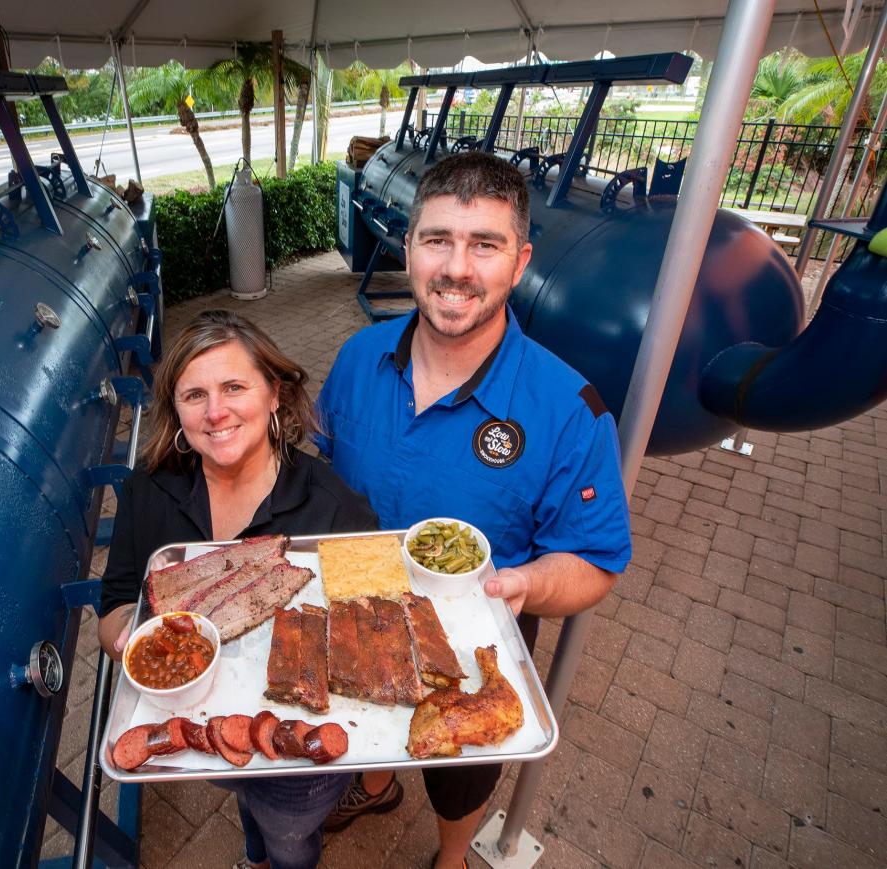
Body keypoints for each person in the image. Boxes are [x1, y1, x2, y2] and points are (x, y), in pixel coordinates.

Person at [315, 150, 632, 868]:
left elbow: (597, 560)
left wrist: (530, 586)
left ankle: (452, 856)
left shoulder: (567, 410)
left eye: (483, 244)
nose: (457, 268)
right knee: (369, 723)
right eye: (438, 240)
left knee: (459, 775)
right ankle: (372, 782)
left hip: (474, 647)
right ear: (408, 248)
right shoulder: (357, 358)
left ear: (518, 263)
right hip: (362, 616)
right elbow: (319, 474)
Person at [98, 309, 378, 869]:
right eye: (194, 394)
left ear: (274, 394)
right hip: (199, 728)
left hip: (299, 742)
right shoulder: (147, 493)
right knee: (247, 805)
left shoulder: (334, 506)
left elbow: (368, 630)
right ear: (175, 409)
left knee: (289, 833)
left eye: (233, 387)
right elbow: (115, 606)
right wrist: (149, 643)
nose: (216, 411)